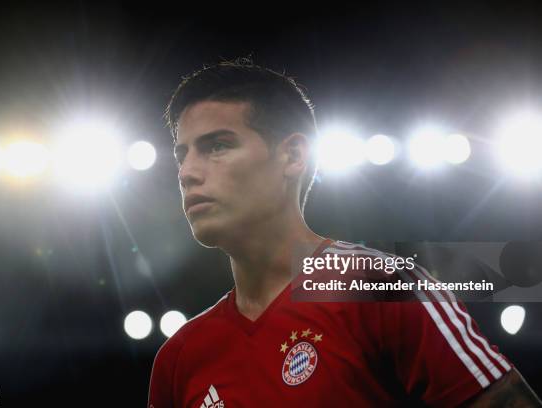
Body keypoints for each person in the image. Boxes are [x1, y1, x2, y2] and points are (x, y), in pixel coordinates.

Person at [148, 59, 541, 407]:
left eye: (217, 146)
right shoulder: (180, 357)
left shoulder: (376, 286)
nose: (187, 172)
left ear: (293, 156)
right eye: (182, 155)